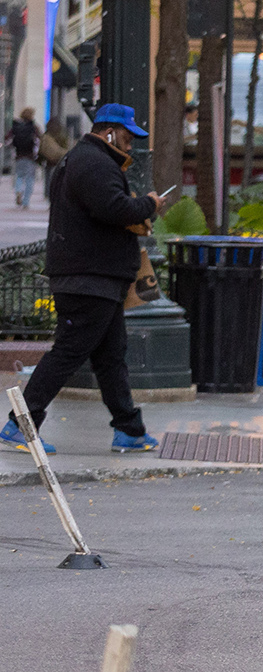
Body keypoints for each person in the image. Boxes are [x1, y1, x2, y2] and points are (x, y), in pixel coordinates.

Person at [3, 105, 162, 455]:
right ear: (108, 132)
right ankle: (20, 425)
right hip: (89, 279)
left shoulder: (84, 160)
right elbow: (114, 209)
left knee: (110, 357)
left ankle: (130, 430)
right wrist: (149, 205)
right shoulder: (94, 163)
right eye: (126, 137)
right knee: (68, 353)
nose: (130, 145)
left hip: (94, 278)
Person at [9, 107, 39, 209]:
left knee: (19, 176)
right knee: (30, 179)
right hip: (30, 156)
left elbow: (7, 138)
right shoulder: (33, 126)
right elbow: (40, 138)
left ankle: (18, 190)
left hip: (19, 155)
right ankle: (26, 202)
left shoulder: (16, 126)